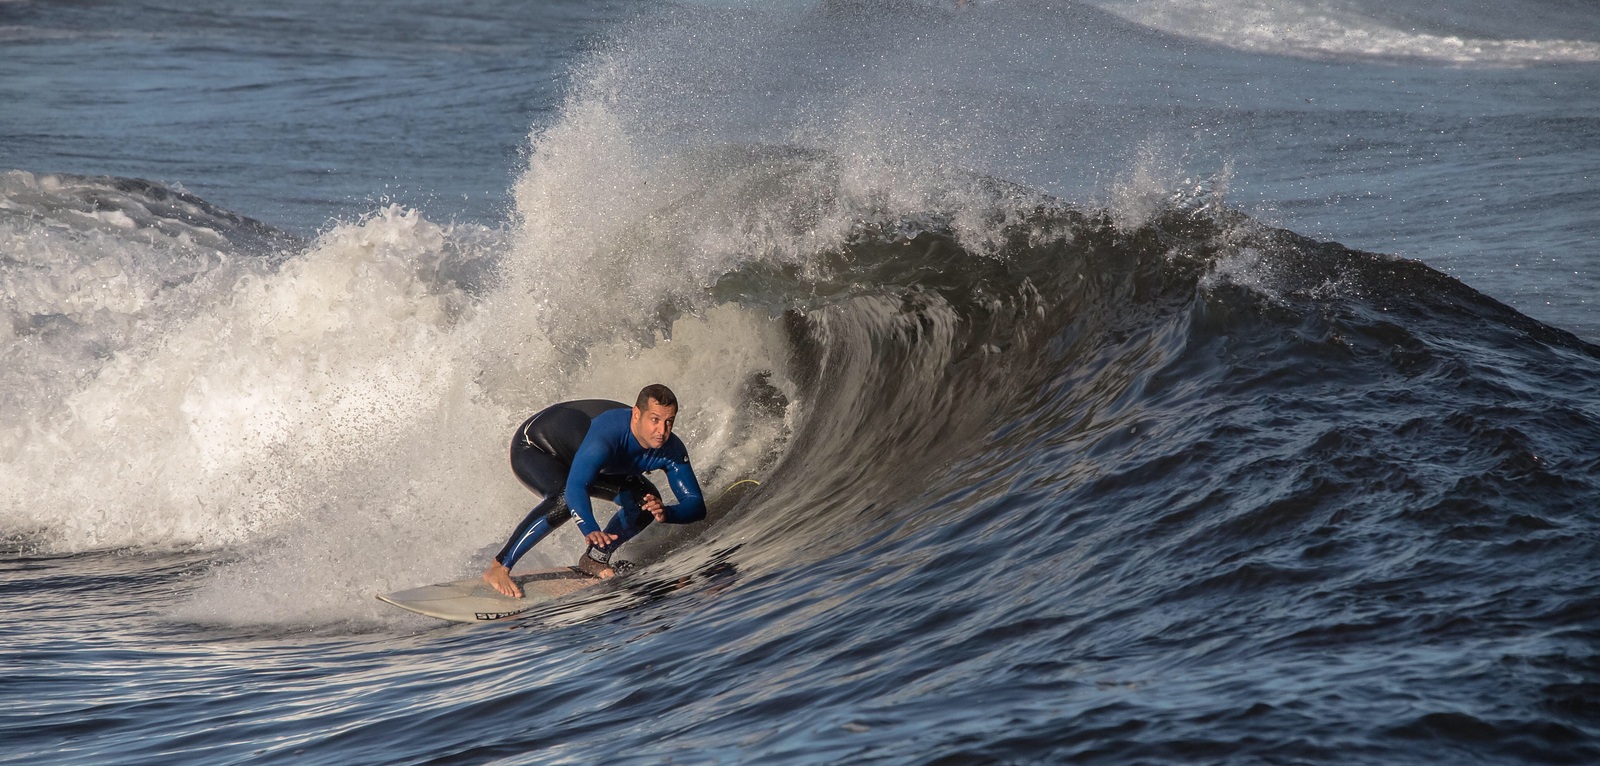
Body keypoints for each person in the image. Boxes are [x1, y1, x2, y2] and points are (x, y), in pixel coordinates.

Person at [481, 384, 706, 598]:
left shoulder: (671, 449)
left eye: (669, 422)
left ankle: (595, 559)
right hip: (536, 448)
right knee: (563, 498)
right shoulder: (607, 437)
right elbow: (576, 488)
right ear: (636, 414)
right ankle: (500, 566)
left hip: (586, 458)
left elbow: (696, 504)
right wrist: (590, 529)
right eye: (655, 420)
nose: (662, 430)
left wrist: (667, 513)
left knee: (644, 502)